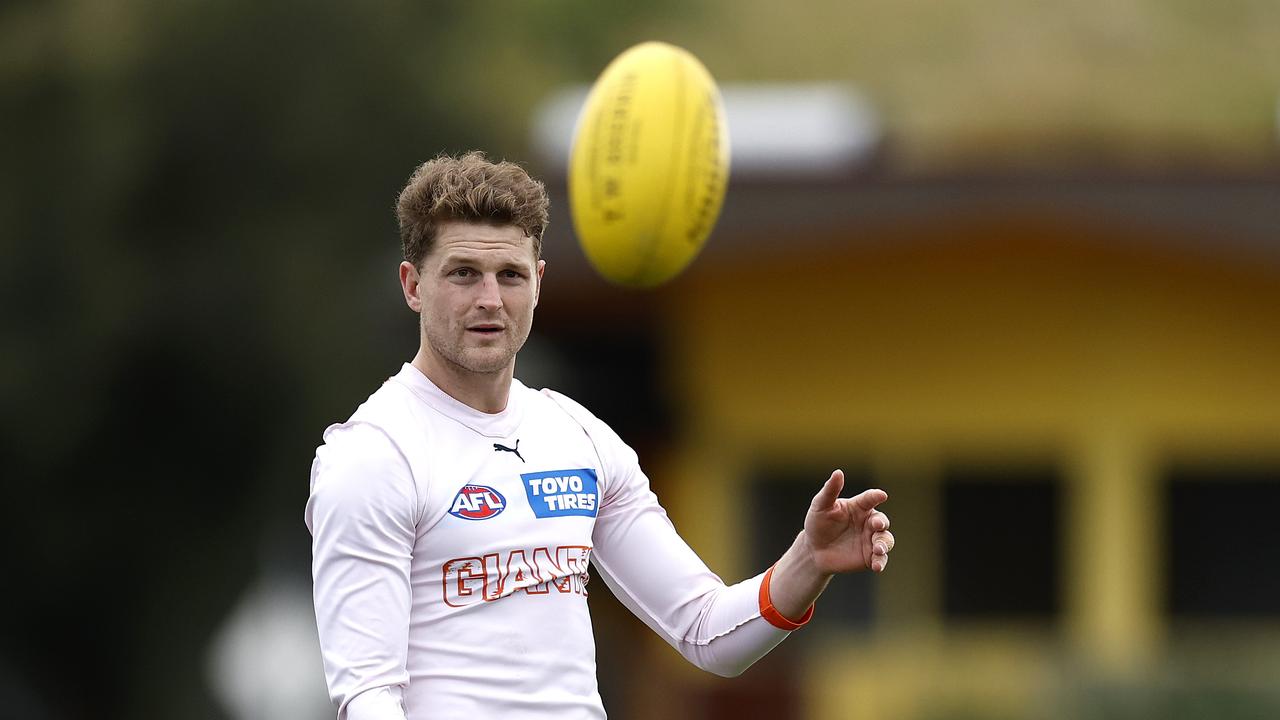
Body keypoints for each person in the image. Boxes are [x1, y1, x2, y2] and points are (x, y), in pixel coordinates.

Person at [306, 152, 895, 720]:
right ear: (413, 285)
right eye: (463, 274)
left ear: (537, 283)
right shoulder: (372, 456)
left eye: (509, 275)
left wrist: (807, 560)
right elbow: (369, 697)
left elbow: (705, 630)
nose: (489, 299)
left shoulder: (577, 435)